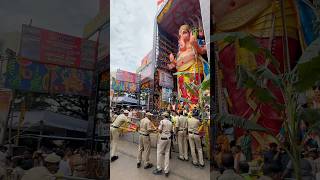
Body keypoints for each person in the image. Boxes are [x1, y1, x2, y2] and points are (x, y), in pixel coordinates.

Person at [153, 111, 173, 177]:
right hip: (169, 138)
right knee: (167, 154)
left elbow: (159, 130)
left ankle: (159, 169)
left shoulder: (162, 121)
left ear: (164, 116)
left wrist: (157, 129)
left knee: (159, 153)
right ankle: (166, 170)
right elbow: (171, 130)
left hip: (163, 138)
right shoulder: (170, 122)